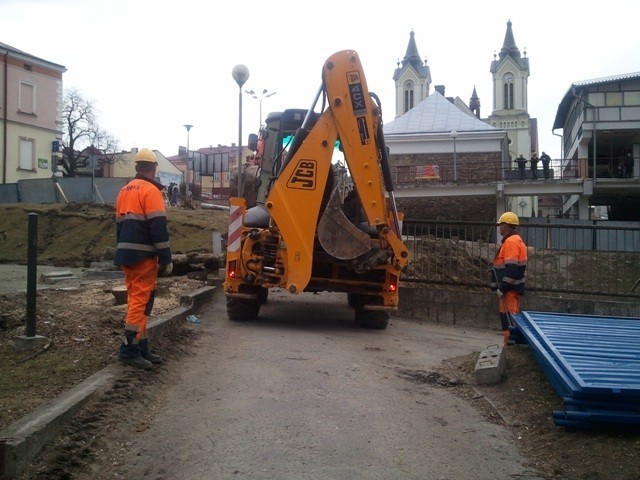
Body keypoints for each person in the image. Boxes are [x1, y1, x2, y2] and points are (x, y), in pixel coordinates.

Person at [114, 148, 173, 369]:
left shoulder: (124, 190)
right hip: (144, 256)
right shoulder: (150, 191)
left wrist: (121, 252)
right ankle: (129, 349)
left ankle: (140, 345)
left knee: (138, 300)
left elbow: (119, 226)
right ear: (153, 168)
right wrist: (166, 257)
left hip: (126, 255)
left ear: (137, 167)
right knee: (141, 301)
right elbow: (157, 226)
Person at [491, 211, 527, 346]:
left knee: (509, 321)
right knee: (509, 320)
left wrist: (502, 288)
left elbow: (511, 270)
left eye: (501, 225)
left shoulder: (511, 242)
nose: (499, 227)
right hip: (512, 290)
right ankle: (508, 348)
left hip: (509, 291)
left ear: (506, 226)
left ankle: (510, 350)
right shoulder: (516, 241)